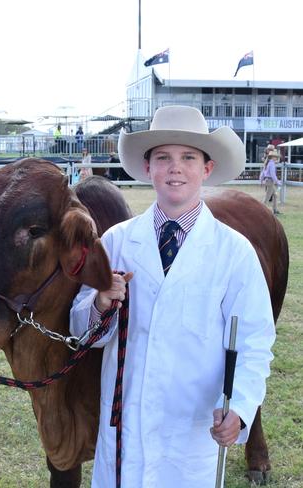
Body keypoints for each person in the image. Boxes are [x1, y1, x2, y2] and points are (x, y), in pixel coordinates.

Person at [70, 105, 275, 488]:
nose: (175, 168)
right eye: (163, 157)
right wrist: (100, 303)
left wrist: (242, 408)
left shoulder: (234, 252)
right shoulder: (115, 242)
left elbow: (254, 340)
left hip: (193, 432)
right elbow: (81, 332)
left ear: (206, 169)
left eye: (188, 158)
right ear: (148, 168)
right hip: (126, 428)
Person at [260, 144, 281, 214]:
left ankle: (275, 210)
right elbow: (272, 174)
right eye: (276, 157)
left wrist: (261, 180)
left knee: (275, 195)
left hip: (267, 180)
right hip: (270, 181)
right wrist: (277, 182)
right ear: (273, 157)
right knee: (267, 198)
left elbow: (263, 172)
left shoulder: (268, 162)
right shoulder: (271, 164)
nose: (276, 158)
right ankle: (261, 211)